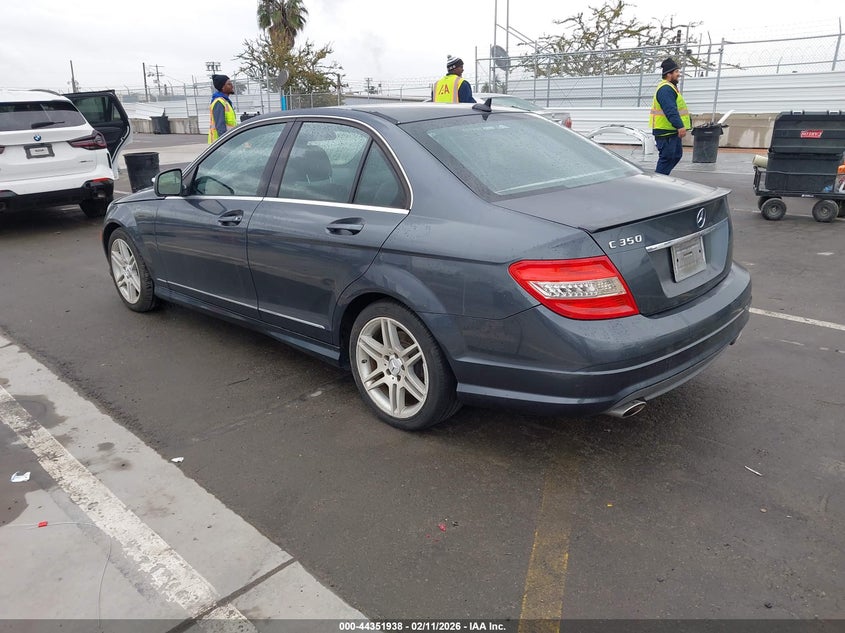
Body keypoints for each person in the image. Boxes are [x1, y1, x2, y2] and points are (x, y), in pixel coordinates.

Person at [650, 58, 691, 175]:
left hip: (670, 131)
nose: (679, 74)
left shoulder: (670, 88)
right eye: (676, 72)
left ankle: (662, 179)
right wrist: (679, 126)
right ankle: (659, 182)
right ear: (669, 74)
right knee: (667, 158)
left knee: (676, 155)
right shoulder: (665, 89)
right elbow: (670, 110)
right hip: (666, 132)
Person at [208, 74, 237, 144]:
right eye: (229, 84)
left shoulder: (225, 101)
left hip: (228, 141)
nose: (232, 86)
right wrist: (225, 144)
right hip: (221, 144)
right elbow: (221, 128)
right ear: (222, 87)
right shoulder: (219, 102)